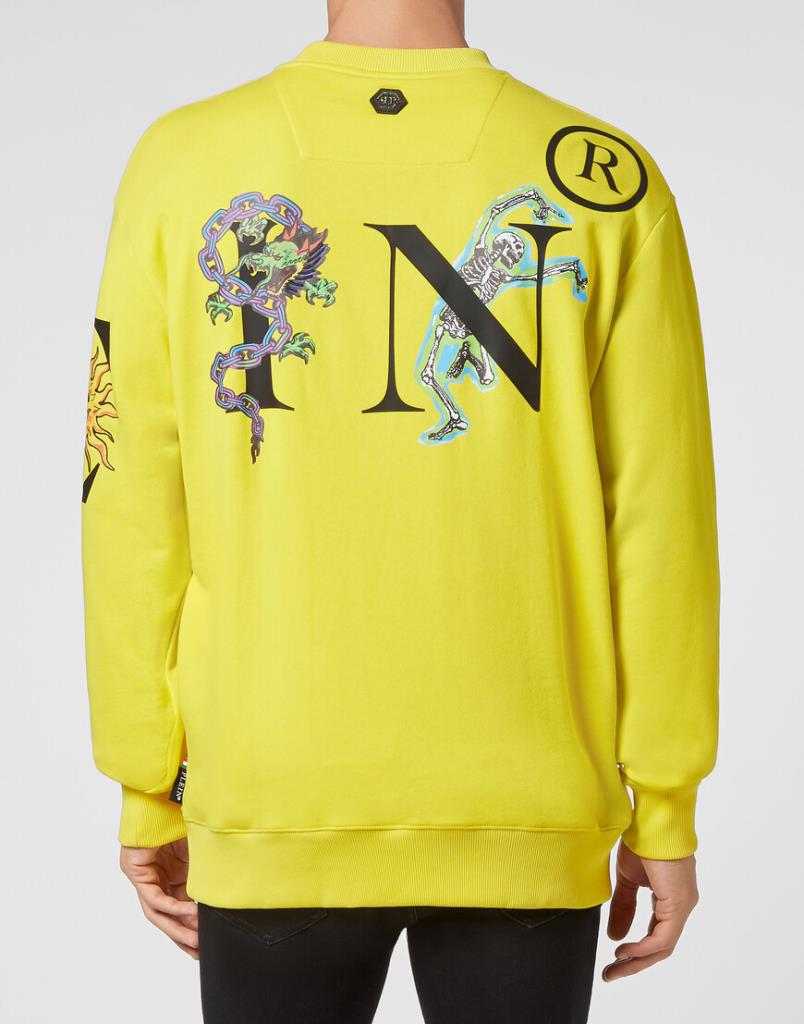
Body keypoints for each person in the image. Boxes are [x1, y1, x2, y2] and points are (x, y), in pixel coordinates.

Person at [80, 0, 719, 1020]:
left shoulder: (183, 159)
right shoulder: (605, 177)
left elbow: (127, 504)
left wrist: (147, 782)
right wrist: (667, 808)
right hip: (532, 798)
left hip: (273, 789)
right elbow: (662, 520)